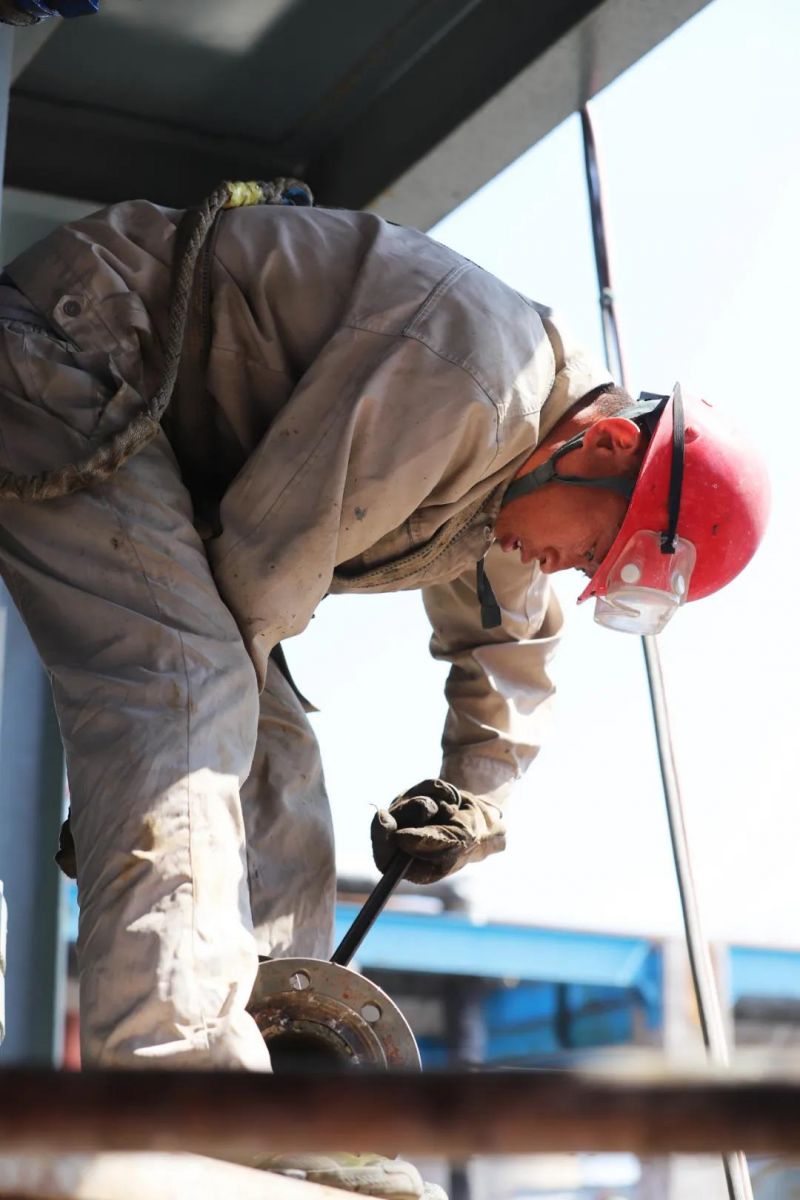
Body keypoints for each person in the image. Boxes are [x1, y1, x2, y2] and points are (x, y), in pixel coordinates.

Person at [0, 187, 768, 1194]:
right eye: (591, 552)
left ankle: (263, 1082)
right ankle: (178, 1074)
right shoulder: (471, 380)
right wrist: (143, 796)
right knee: (187, 697)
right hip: (72, 357)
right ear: (606, 448)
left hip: (162, 457)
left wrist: (472, 793)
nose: (573, 575)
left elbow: (510, 648)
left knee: (271, 761)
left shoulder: (532, 463)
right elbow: (261, 573)